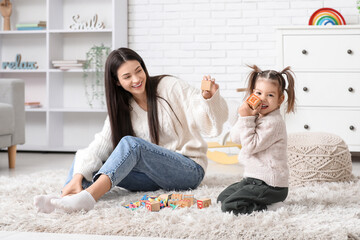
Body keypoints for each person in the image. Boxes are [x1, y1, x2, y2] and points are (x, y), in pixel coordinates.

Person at [34, 47, 228, 213]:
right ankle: (64, 198)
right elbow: (98, 146)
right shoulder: (122, 108)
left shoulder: (169, 86)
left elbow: (206, 119)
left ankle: (88, 198)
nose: (136, 79)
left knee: (131, 144)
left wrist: (208, 98)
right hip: (151, 178)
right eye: (127, 76)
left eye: (138, 70)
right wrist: (78, 177)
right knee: (85, 160)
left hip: (188, 170)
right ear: (117, 81)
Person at [217, 65, 295, 215]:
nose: (263, 99)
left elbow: (250, 147)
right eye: (259, 93)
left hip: (271, 185)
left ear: (280, 99)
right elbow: (235, 138)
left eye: (270, 95)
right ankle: (259, 200)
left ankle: (271, 207)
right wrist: (245, 116)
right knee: (223, 198)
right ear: (253, 94)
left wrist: (247, 118)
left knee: (230, 206)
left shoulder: (274, 122)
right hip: (252, 179)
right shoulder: (256, 116)